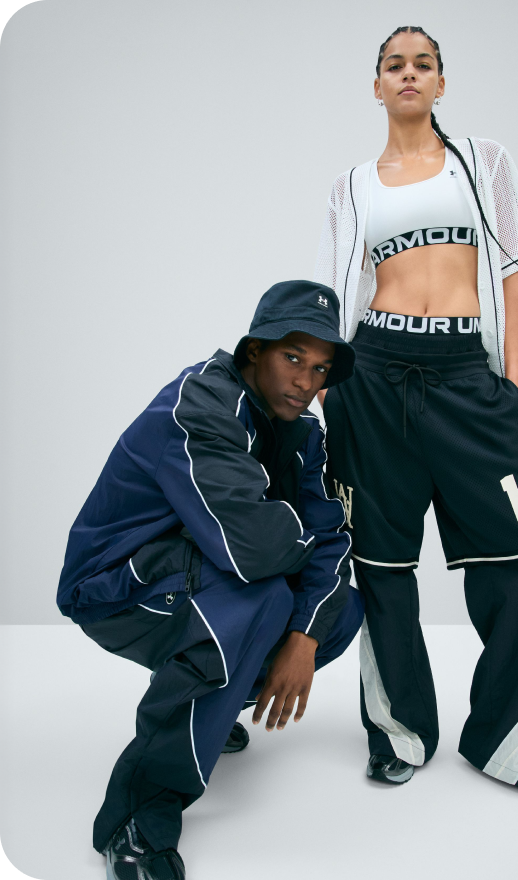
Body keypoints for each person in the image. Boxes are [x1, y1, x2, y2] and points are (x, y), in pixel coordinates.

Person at [314, 26, 518, 799]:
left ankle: (514, 744)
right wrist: (327, 383)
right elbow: (335, 291)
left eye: (422, 64)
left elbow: (512, 268)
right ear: (376, 86)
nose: (409, 74)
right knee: (380, 564)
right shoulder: (351, 186)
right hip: (373, 376)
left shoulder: (482, 162)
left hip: (465, 373)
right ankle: (398, 733)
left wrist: (515, 378)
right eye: (394, 65)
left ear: (441, 82)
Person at [57, 280, 364, 879]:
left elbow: (332, 544)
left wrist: (304, 637)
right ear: (254, 351)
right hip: (114, 586)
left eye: (320, 368)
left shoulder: (304, 434)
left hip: (187, 578)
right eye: (293, 357)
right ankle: (136, 819)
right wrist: (302, 539)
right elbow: (253, 549)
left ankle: (210, 708)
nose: (306, 381)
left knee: (338, 609)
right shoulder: (200, 402)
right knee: (262, 596)